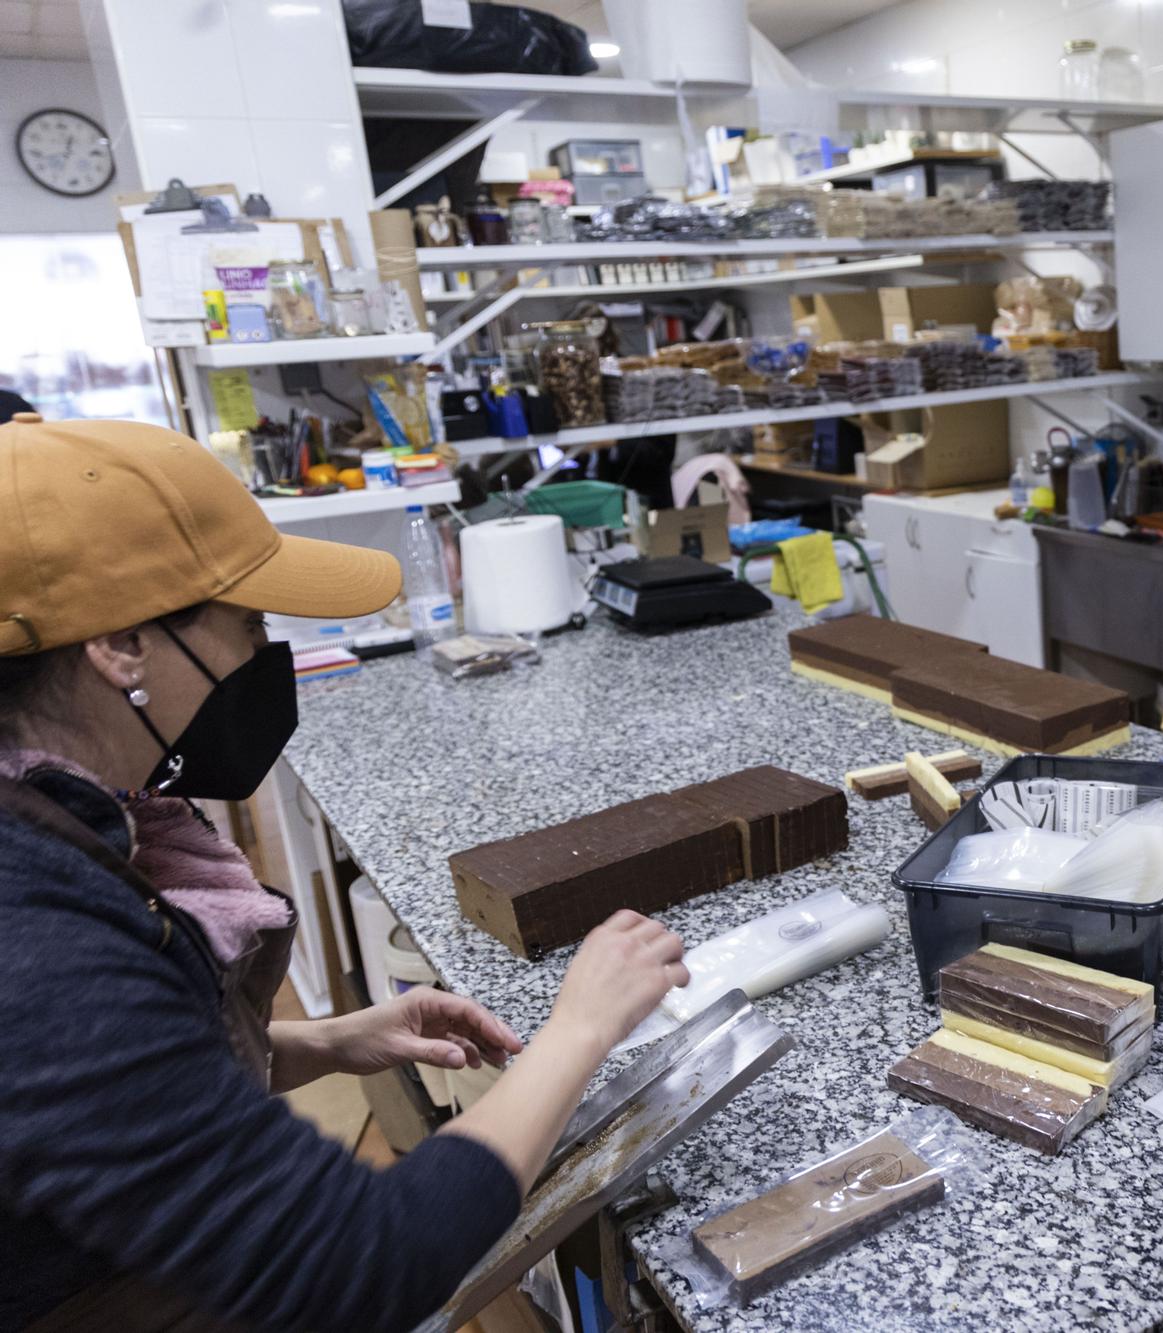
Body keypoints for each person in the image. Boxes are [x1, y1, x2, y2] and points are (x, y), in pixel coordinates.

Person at [0, 413, 692, 1332]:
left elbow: (93, 1110)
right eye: (246, 625)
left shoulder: (59, 819)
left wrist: (324, 1042)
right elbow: (362, 1261)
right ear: (120, 645)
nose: (260, 659)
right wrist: (580, 1028)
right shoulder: (36, 939)